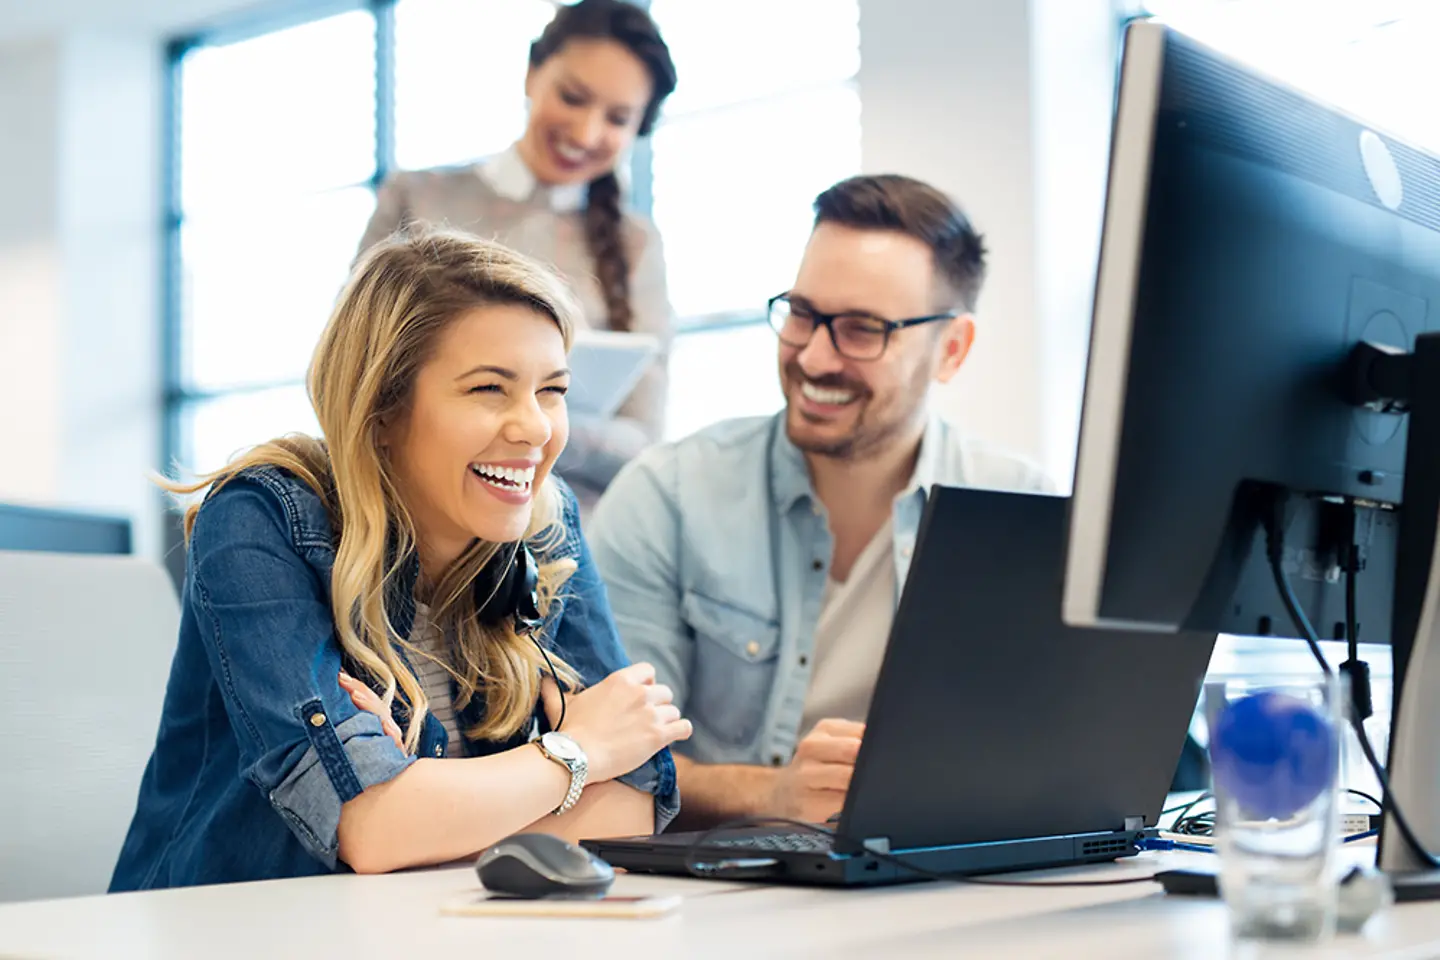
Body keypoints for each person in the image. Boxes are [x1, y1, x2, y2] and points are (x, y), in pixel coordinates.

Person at [110, 228, 690, 891]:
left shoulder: (543, 525)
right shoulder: (259, 518)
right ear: (382, 408)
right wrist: (576, 750)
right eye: (489, 389)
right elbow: (374, 829)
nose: (534, 427)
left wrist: (425, 799)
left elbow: (631, 806)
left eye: (551, 390)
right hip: (218, 930)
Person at [587, 174, 1052, 829]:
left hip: (949, 888)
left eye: (862, 329)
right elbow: (610, 759)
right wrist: (770, 793)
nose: (814, 355)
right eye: (802, 314)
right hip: (722, 903)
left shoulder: (1027, 513)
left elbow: (1063, 761)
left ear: (951, 350)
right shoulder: (666, 496)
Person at [357, 0, 677, 514]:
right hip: (413, 516)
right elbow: (354, 370)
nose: (587, 132)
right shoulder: (418, 199)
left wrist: (523, 419)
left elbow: (643, 438)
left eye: (617, 118)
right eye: (573, 97)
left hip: (564, 536)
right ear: (532, 73)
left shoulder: (636, 246)